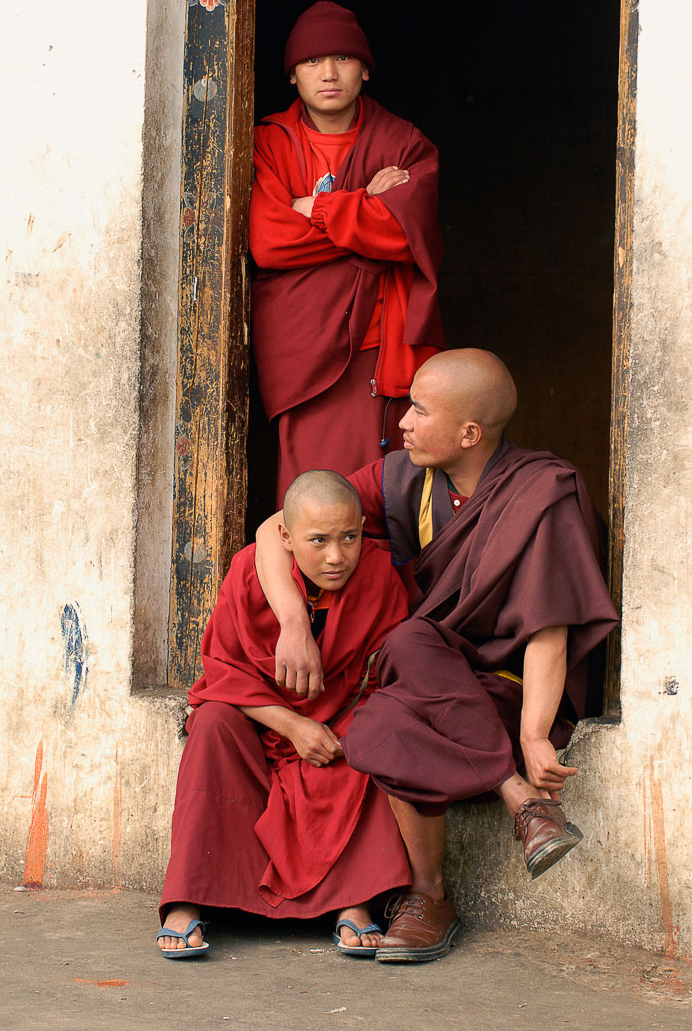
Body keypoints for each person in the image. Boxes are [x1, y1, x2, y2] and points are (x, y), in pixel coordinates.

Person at [255, 349, 619, 963]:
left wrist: (533, 735)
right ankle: (522, 803)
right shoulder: (401, 480)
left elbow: (548, 630)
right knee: (398, 670)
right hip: (429, 675)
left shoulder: (541, 492)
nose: (402, 421)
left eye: (419, 410)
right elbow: (274, 527)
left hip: (509, 688)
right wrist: (293, 619)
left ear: (469, 433)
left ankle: (428, 898)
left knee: (390, 699)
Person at [157, 470, 412, 959]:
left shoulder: (379, 575)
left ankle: (351, 900)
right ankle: (188, 899)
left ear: (363, 527)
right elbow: (222, 668)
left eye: (349, 538)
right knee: (211, 724)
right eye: (317, 541)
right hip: (262, 725)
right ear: (286, 537)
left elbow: (386, 671)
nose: (336, 556)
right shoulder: (250, 572)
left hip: (338, 722)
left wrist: (330, 721)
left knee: (375, 732)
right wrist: (293, 724)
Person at [249, 1, 446, 505]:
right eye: (313, 62)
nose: (329, 73)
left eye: (342, 59)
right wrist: (365, 207)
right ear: (293, 75)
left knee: (384, 499)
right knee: (312, 496)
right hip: (304, 350)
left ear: (364, 69)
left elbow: (405, 235)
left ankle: (378, 588)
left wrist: (310, 207)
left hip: (379, 346)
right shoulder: (268, 144)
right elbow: (270, 241)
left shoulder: (404, 145)